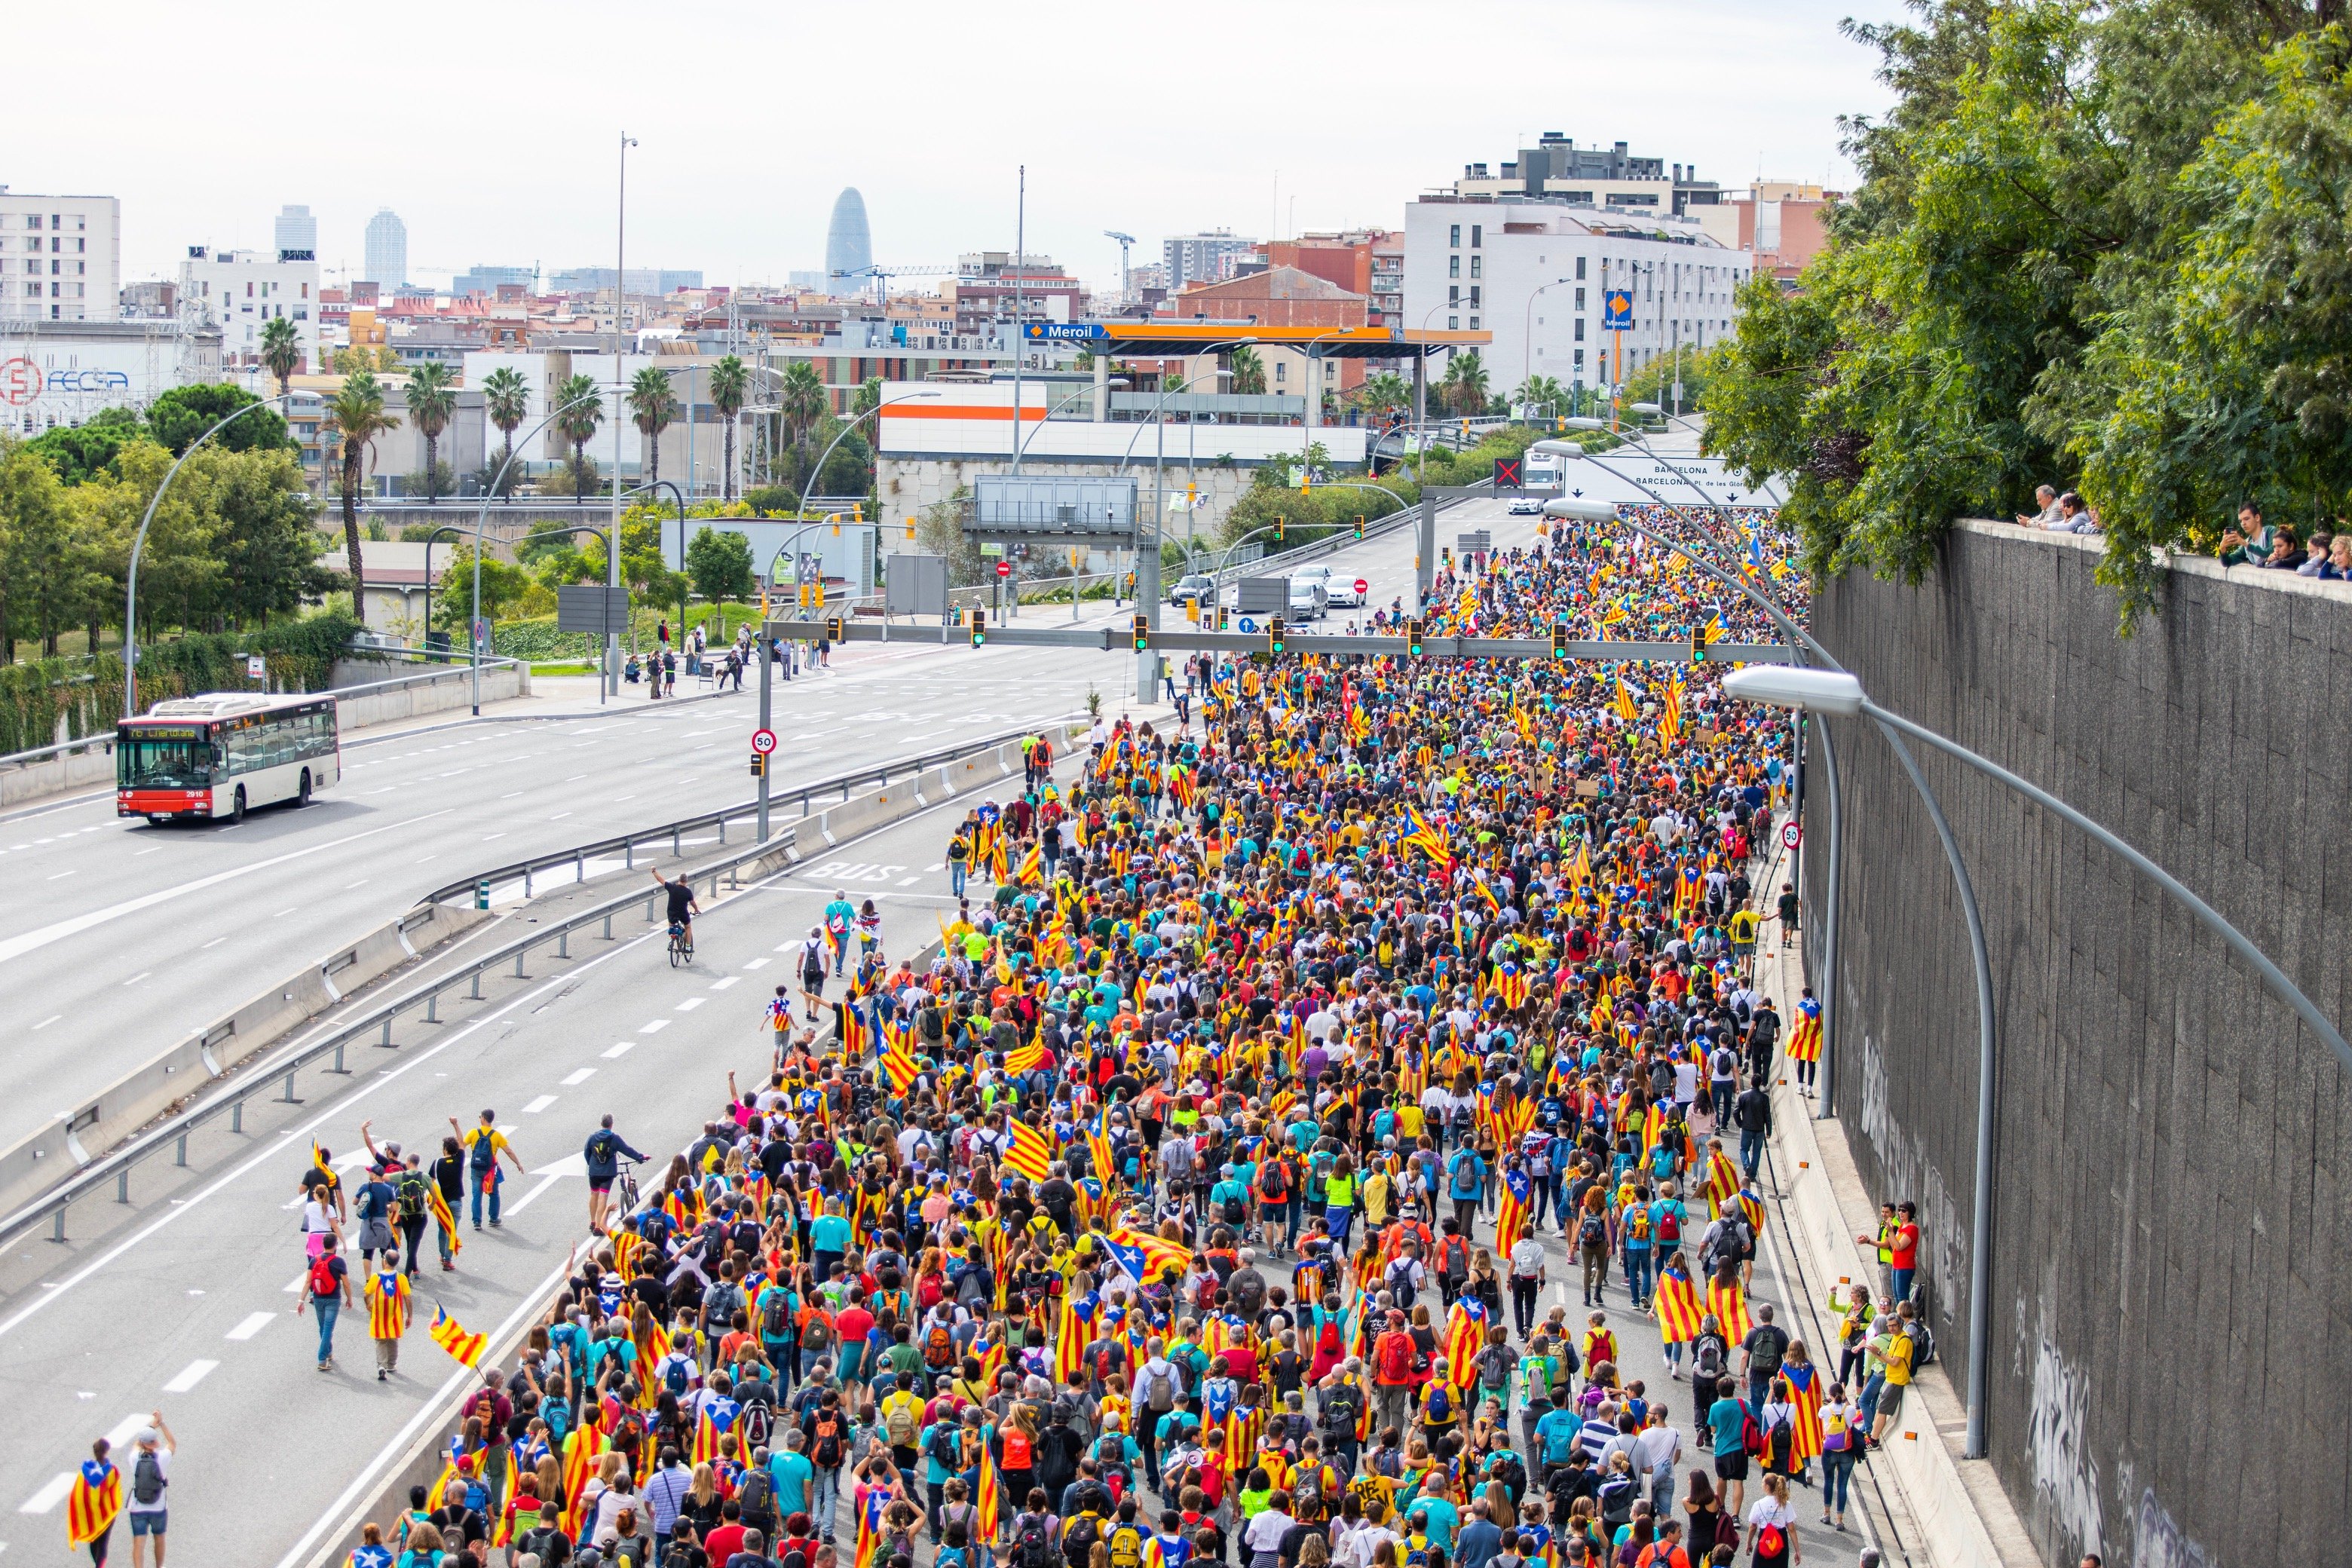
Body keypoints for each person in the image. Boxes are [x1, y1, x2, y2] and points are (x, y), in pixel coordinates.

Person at [454, 1110, 522, 1230]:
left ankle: (477, 1221)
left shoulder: (474, 1133)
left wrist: (456, 1125)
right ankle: (493, 1219)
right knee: (494, 1194)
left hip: (476, 1169)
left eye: (480, 1116)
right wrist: (518, 1163)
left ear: (484, 1119)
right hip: (490, 1170)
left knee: (476, 1195)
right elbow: (508, 1151)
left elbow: (461, 1145)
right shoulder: (496, 1135)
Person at [583, 1113, 649, 1237]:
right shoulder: (614, 1138)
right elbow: (627, 1150)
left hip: (594, 1172)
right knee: (603, 1197)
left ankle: (593, 1222)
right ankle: (598, 1227)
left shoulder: (592, 1137)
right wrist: (640, 1157)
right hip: (607, 1173)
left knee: (593, 1194)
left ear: (601, 1124)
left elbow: (586, 1153)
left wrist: (592, 1165)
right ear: (611, 1125)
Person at [124, 1415, 173, 1568]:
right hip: (158, 1507)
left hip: (138, 1508)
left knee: (138, 1542)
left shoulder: (134, 1458)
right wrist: (161, 1424)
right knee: (159, 1538)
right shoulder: (162, 1458)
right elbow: (172, 1443)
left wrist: (150, 1427)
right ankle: (159, 1566)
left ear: (143, 1443)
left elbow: (137, 1446)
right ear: (156, 1442)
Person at [297, 1234, 352, 1370]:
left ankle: (328, 1352)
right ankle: (322, 1359)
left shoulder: (314, 1260)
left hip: (318, 1298)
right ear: (335, 1245)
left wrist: (301, 1300)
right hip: (333, 1299)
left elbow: (308, 1282)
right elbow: (346, 1283)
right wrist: (349, 1298)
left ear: (323, 1244)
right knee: (328, 1329)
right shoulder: (339, 1262)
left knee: (323, 1327)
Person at [653, 869, 702, 954]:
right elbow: (692, 902)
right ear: (686, 881)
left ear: (679, 880)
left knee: (671, 926)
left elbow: (660, 879)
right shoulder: (688, 892)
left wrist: (654, 871)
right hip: (683, 914)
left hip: (671, 913)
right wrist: (696, 909)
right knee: (688, 928)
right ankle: (688, 948)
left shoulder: (672, 887)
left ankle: (673, 939)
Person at [823, 890, 857, 977]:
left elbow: (826, 918)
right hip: (844, 932)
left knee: (835, 949)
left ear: (836, 896)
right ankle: (839, 967)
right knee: (842, 951)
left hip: (833, 933)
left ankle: (838, 966)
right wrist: (853, 926)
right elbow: (854, 918)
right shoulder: (848, 905)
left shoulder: (830, 905)